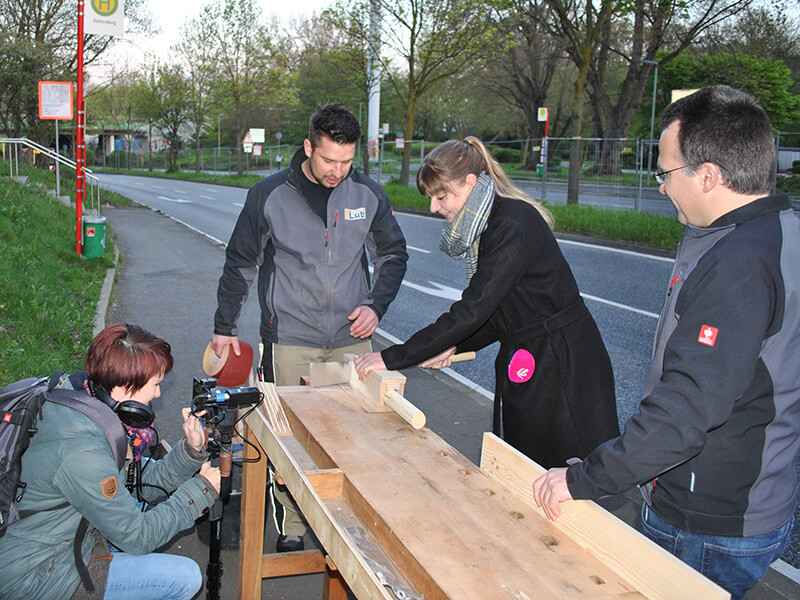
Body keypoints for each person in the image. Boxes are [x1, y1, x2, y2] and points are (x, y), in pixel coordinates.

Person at [533, 85, 800, 600]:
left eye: (665, 172)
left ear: (709, 175)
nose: (659, 187)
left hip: (707, 517)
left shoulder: (737, 266)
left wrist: (585, 479)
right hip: (761, 491)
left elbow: (685, 413)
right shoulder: (778, 230)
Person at [210, 103, 408, 551]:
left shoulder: (368, 196)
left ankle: (350, 526)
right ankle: (293, 528)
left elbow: (394, 255)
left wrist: (377, 305)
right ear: (308, 147)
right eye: (328, 160)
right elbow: (240, 263)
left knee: (355, 438)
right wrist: (224, 326)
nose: (338, 170)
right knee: (290, 440)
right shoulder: (270, 195)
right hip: (290, 339)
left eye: (346, 161)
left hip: (352, 341)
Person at [354, 136, 619, 469]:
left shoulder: (511, 223)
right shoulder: (492, 222)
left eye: (441, 195)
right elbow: (498, 312)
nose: (434, 208)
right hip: (536, 355)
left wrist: (394, 357)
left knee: (561, 476)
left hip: (562, 366)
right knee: (524, 467)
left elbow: (475, 307)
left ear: (469, 182)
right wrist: (451, 345)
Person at [0, 323, 219, 600]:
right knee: (184, 577)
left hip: (53, 536)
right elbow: (139, 537)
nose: (158, 394)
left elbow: (138, 481)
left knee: (137, 508)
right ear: (125, 387)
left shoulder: (79, 400)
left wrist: (190, 451)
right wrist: (202, 490)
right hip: (38, 575)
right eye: (156, 385)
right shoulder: (82, 451)